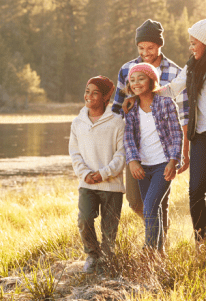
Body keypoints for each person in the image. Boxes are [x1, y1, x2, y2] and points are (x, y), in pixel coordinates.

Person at [126, 16, 206, 260]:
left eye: (194, 42)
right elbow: (173, 88)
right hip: (202, 137)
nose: (191, 47)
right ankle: (200, 239)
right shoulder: (193, 66)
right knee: (195, 190)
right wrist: (142, 93)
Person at [112, 19, 190, 236]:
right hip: (136, 149)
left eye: (150, 47)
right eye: (141, 48)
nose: (145, 52)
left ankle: (156, 249)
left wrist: (183, 153)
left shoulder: (175, 72)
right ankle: (159, 232)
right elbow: (118, 109)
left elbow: (184, 114)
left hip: (164, 149)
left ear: (160, 45)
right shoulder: (127, 69)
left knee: (157, 201)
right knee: (136, 202)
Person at [122, 63, 183, 255]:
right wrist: (132, 161)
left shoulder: (166, 104)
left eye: (141, 78)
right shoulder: (131, 108)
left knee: (150, 206)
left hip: (162, 165)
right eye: (132, 80)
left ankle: (148, 250)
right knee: (152, 208)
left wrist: (173, 161)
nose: (136, 83)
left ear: (151, 80)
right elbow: (128, 137)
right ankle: (159, 252)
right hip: (143, 167)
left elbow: (176, 134)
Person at [68, 75, 126, 273]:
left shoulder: (117, 122)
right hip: (87, 184)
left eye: (95, 93)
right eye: (87, 91)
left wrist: (103, 174)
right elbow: (74, 153)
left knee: (110, 229)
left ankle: (108, 262)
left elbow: (121, 155)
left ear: (105, 98)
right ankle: (93, 255)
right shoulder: (77, 123)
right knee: (84, 220)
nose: (89, 96)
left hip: (112, 185)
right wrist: (86, 174)